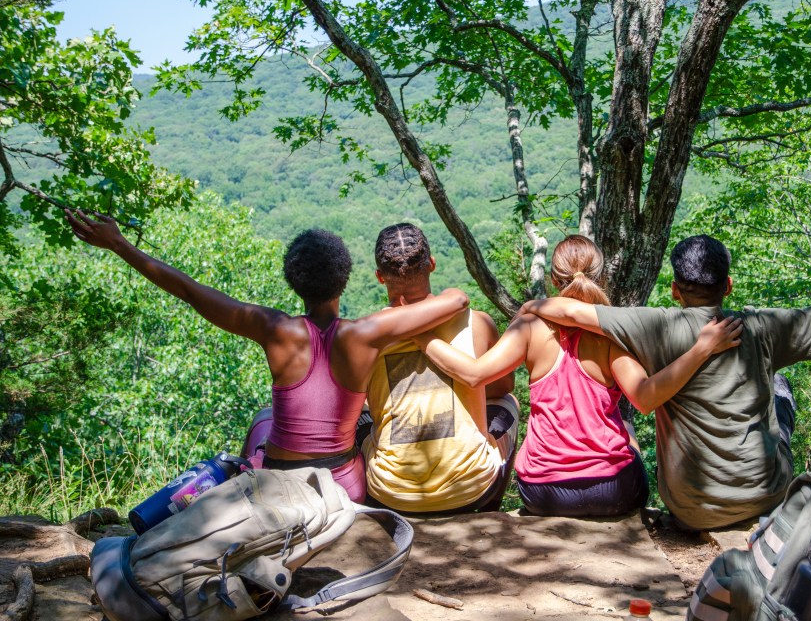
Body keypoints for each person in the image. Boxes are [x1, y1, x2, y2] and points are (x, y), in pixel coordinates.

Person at [523, 235, 811, 529]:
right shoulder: (761, 327)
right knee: (780, 388)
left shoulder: (649, 326)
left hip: (690, 508)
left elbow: (574, 313)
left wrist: (534, 304)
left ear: (675, 290)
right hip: (764, 496)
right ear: (727, 284)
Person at [65, 210, 468, 504]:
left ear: (294, 279)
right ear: (346, 276)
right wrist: (397, 311)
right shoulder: (368, 333)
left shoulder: (273, 329)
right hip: (343, 487)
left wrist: (118, 243)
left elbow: (187, 289)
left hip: (278, 483)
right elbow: (457, 298)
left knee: (264, 418)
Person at [415, 235, 743, 517]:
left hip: (544, 492)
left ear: (554, 280)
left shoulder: (530, 326)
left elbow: (474, 374)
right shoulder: (613, 332)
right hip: (614, 491)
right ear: (600, 276)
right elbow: (645, 399)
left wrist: (422, 336)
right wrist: (700, 351)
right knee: (626, 428)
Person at [361, 223, 519, 513]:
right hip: (471, 489)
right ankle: (491, 507)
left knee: (359, 417)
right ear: (432, 264)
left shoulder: (364, 336)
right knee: (508, 402)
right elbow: (501, 387)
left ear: (380, 277)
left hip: (391, 493)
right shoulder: (477, 322)